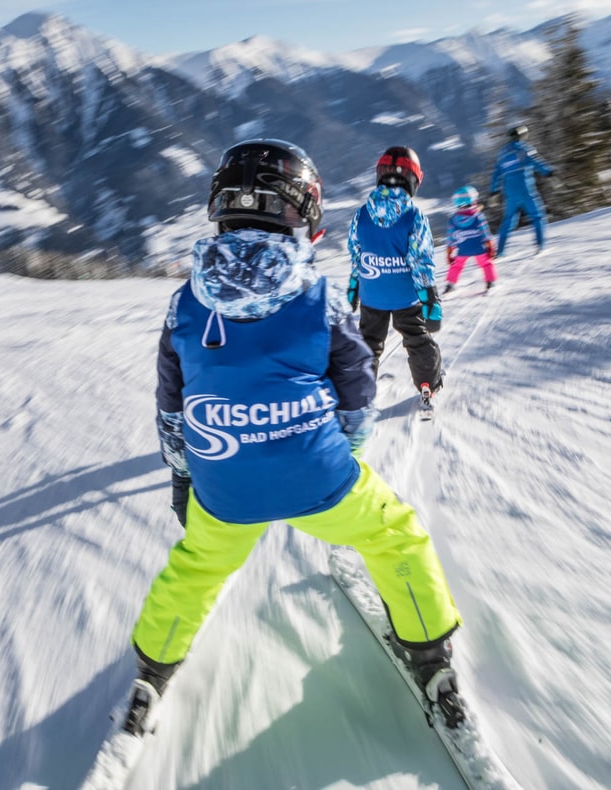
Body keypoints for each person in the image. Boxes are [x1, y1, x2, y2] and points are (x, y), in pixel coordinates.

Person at [122, 138, 464, 737]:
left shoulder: (185, 305)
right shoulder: (320, 298)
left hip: (224, 489)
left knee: (197, 567)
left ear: (219, 207)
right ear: (304, 212)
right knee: (396, 536)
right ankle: (431, 658)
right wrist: (345, 457)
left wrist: (184, 477)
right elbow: (359, 393)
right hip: (321, 479)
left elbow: (171, 410)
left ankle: (153, 670)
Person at [347, 146, 443, 409]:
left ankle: (359, 395)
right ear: (414, 180)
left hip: (371, 295)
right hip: (406, 297)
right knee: (417, 339)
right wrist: (430, 299)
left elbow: (356, 253)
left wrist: (354, 286)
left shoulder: (362, 214)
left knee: (368, 343)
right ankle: (427, 384)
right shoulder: (414, 216)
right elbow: (421, 260)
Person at [489, 124, 554, 257]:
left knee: (508, 221)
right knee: (537, 216)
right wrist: (549, 172)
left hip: (510, 193)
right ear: (522, 135)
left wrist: (493, 192)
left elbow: (496, 174)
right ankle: (540, 246)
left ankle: (500, 251)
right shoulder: (525, 149)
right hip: (526, 190)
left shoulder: (502, 153)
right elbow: (538, 163)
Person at [443, 185, 497, 295]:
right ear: (473, 200)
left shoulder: (453, 219)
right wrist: (490, 246)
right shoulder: (478, 216)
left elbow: (450, 237)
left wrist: (449, 252)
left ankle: (450, 285)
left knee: (456, 266)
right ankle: (490, 282)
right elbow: (485, 233)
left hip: (463, 249)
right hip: (479, 248)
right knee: (486, 264)